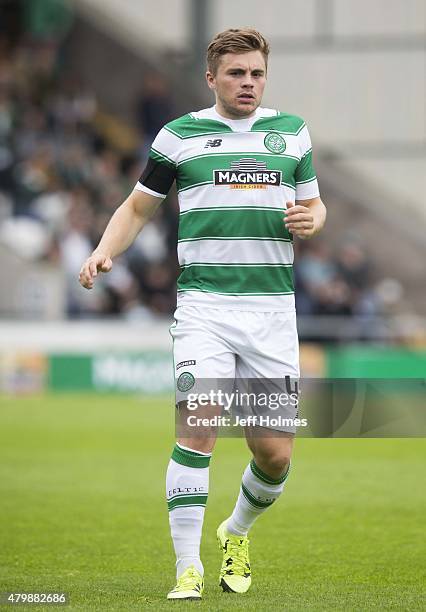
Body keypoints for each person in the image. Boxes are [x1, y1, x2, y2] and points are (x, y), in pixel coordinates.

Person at [79, 27, 326, 601]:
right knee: (198, 429)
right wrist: (103, 249)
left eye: (257, 73)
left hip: (271, 312)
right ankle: (186, 566)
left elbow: (315, 204)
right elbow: (138, 206)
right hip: (204, 308)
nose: (248, 83)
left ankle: (235, 531)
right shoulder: (179, 137)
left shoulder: (290, 133)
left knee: (274, 453)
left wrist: (313, 221)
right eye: (237, 73)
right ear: (211, 77)